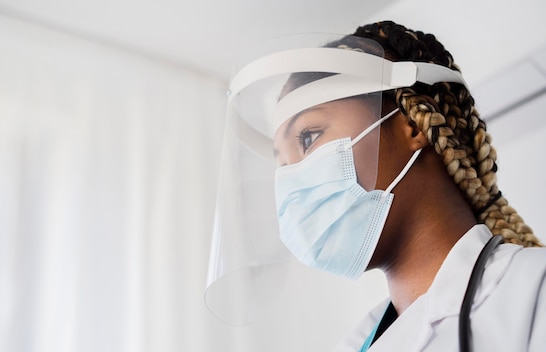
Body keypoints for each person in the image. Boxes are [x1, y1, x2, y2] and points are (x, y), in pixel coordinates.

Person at [206, 20, 545, 351]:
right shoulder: (357, 343)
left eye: (308, 138)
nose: (292, 178)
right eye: (282, 164)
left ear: (412, 122)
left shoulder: (532, 291)